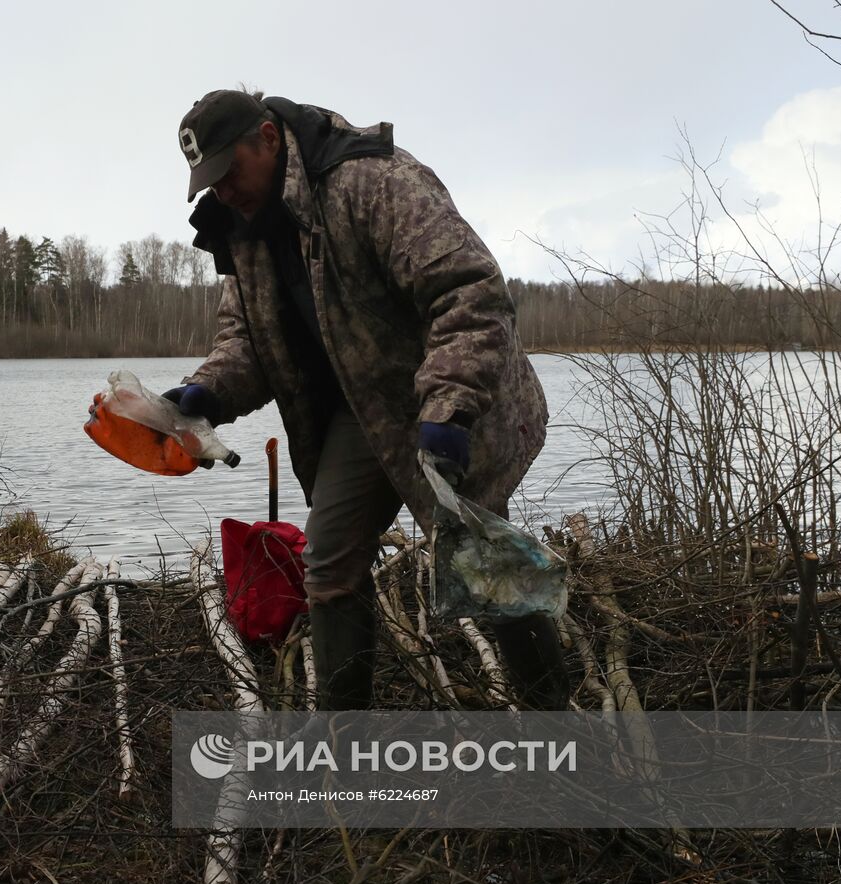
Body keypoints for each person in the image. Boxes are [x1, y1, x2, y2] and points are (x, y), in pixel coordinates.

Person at [166, 89, 568, 710]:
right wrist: (207, 392)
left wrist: (451, 405)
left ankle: (555, 723)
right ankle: (344, 747)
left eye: (228, 173)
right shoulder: (241, 231)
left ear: (267, 140)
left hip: (444, 396)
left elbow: (468, 291)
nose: (222, 193)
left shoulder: (371, 180)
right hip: (361, 412)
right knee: (328, 567)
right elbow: (245, 339)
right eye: (208, 183)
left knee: (484, 560)